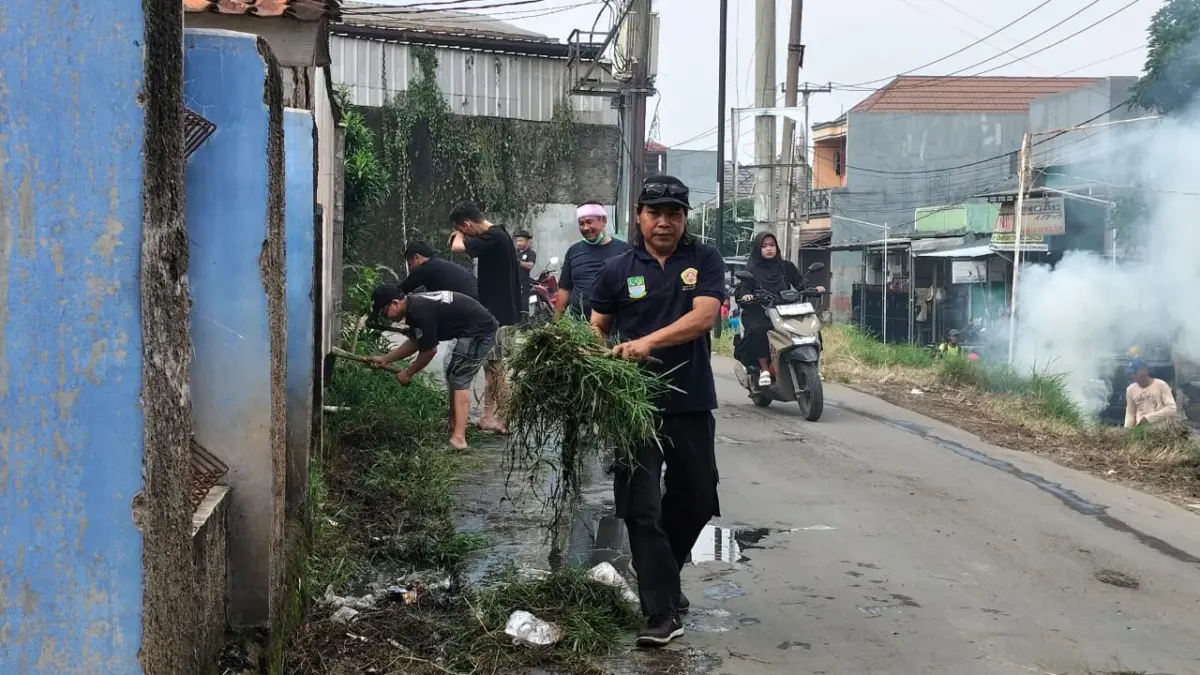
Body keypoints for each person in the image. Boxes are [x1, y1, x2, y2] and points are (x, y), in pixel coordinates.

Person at [589, 175, 724, 648]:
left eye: (674, 213)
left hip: (690, 401)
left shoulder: (703, 259)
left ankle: (663, 575)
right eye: (655, 213)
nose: (664, 222)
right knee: (641, 508)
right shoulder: (617, 269)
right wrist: (598, 362)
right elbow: (598, 328)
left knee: (699, 497)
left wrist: (646, 341)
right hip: (634, 408)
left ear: (685, 218)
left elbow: (705, 315)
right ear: (640, 217)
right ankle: (661, 611)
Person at [368, 285, 498, 450]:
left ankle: (459, 438)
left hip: (479, 331)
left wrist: (408, 373)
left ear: (395, 303)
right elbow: (416, 342)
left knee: (459, 378)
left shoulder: (418, 312)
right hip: (472, 328)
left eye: (383, 311)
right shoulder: (415, 307)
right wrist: (384, 359)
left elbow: (429, 351)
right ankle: (454, 426)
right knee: (454, 375)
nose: (385, 317)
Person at [448, 203, 521, 434]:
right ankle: (488, 417)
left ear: (467, 224)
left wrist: (459, 233)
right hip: (501, 312)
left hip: (498, 315)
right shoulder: (499, 234)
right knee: (492, 368)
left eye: (464, 229)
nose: (465, 234)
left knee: (497, 369)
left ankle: (507, 418)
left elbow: (456, 247)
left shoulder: (493, 236)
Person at [732, 231, 813, 387]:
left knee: (808, 325)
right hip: (758, 311)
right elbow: (741, 291)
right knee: (759, 329)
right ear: (757, 249)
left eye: (771, 245)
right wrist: (747, 296)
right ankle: (764, 369)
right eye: (764, 246)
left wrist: (814, 289)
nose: (769, 249)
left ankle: (811, 364)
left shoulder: (785, 267)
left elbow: (800, 283)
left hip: (785, 311)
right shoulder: (751, 270)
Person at [554, 202, 631, 320]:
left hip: (614, 328)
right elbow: (565, 289)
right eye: (581, 223)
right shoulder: (574, 251)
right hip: (579, 326)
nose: (585, 228)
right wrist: (556, 323)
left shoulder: (624, 250)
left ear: (603, 221)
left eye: (589, 222)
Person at [399, 242, 478, 298]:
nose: (410, 268)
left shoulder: (424, 269)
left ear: (417, 257)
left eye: (410, 264)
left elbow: (400, 291)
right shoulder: (439, 265)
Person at [1124, 359, 1178, 429]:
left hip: (1161, 432)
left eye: (1135, 373)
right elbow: (1130, 413)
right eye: (1131, 374)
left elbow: (1172, 408)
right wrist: (1127, 430)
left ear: (1145, 371)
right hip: (1141, 432)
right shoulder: (1130, 390)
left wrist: (1148, 418)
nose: (1133, 376)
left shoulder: (1161, 385)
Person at [513, 229, 537, 319]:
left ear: (527, 241)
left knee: (523, 305)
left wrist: (518, 262)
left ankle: (524, 325)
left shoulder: (531, 253)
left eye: (521, 241)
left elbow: (530, 265)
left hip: (523, 283)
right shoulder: (514, 253)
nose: (518, 243)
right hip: (513, 282)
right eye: (517, 241)